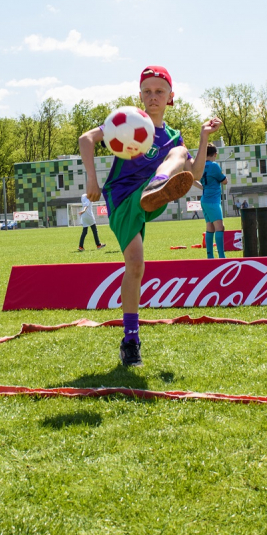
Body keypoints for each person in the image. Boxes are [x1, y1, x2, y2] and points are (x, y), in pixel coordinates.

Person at [81, 66, 221, 366]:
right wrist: (91, 179)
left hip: (149, 194)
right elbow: (86, 139)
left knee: (179, 152)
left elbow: (194, 173)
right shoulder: (128, 120)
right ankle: (130, 339)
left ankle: (158, 185)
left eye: (160, 91)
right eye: (147, 91)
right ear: (140, 95)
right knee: (135, 266)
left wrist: (202, 136)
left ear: (171, 97)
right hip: (122, 199)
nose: (153, 97)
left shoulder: (172, 136)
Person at [199, 144, 228, 258]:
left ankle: (210, 256)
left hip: (205, 199)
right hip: (213, 201)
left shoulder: (201, 166)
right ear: (215, 154)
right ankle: (221, 256)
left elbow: (198, 182)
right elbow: (224, 181)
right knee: (220, 227)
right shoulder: (214, 166)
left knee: (210, 227)